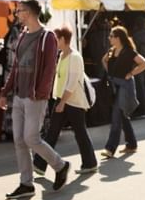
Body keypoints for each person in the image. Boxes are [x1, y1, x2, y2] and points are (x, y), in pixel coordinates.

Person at [0, 0, 70, 198]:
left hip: (35, 96)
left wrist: (42, 92)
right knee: (19, 140)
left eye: (19, 11)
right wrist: (5, 91)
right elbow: (16, 68)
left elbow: (50, 68)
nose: (17, 14)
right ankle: (26, 184)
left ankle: (60, 165)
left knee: (31, 138)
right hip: (20, 95)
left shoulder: (47, 37)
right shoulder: (22, 36)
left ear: (28, 13)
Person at [34, 26, 98, 175]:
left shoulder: (75, 57)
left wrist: (62, 102)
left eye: (56, 39)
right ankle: (39, 164)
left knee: (80, 132)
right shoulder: (61, 55)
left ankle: (90, 163)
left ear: (63, 39)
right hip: (61, 99)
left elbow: (72, 82)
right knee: (52, 132)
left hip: (72, 101)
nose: (54, 42)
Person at [100, 25, 145, 158]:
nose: (109, 38)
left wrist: (131, 73)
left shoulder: (129, 51)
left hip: (125, 86)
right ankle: (131, 144)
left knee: (117, 115)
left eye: (111, 36)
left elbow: (144, 63)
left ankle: (110, 148)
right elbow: (103, 60)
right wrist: (109, 72)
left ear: (118, 38)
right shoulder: (111, 51)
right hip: (114, 85)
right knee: (122, 115)